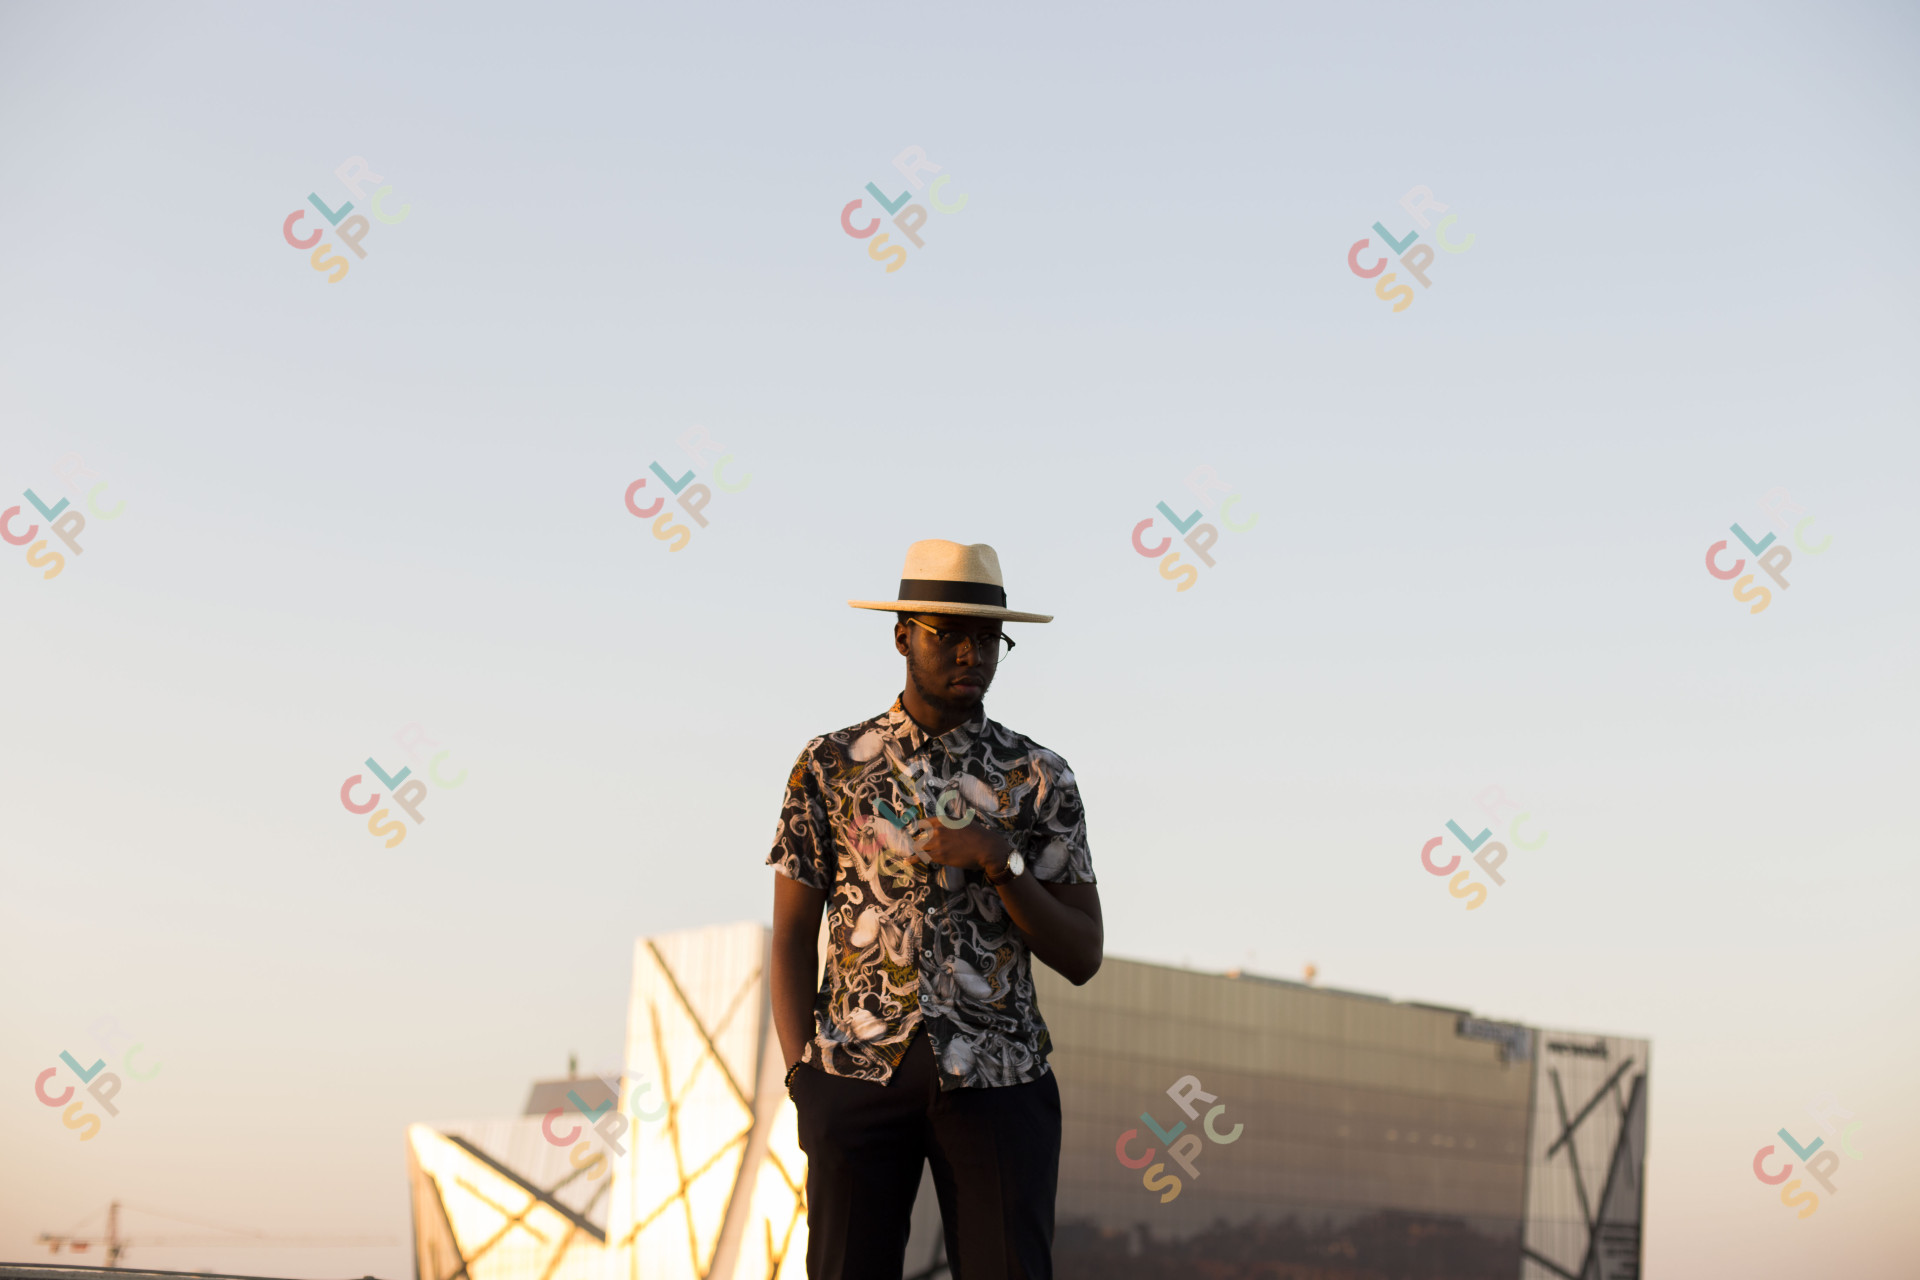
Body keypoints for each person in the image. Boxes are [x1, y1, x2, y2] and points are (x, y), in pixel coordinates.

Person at [767, 539, 1104, 1280]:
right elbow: (791, 932)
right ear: (901, 637)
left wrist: (1002, 862)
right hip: (853, 1077)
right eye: (946, 634)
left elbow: (1082, 954)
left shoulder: (1039, 777)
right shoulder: (828, 763)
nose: (969, 653)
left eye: (987, 638)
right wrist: (803, 1080)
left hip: (1001, 1082)